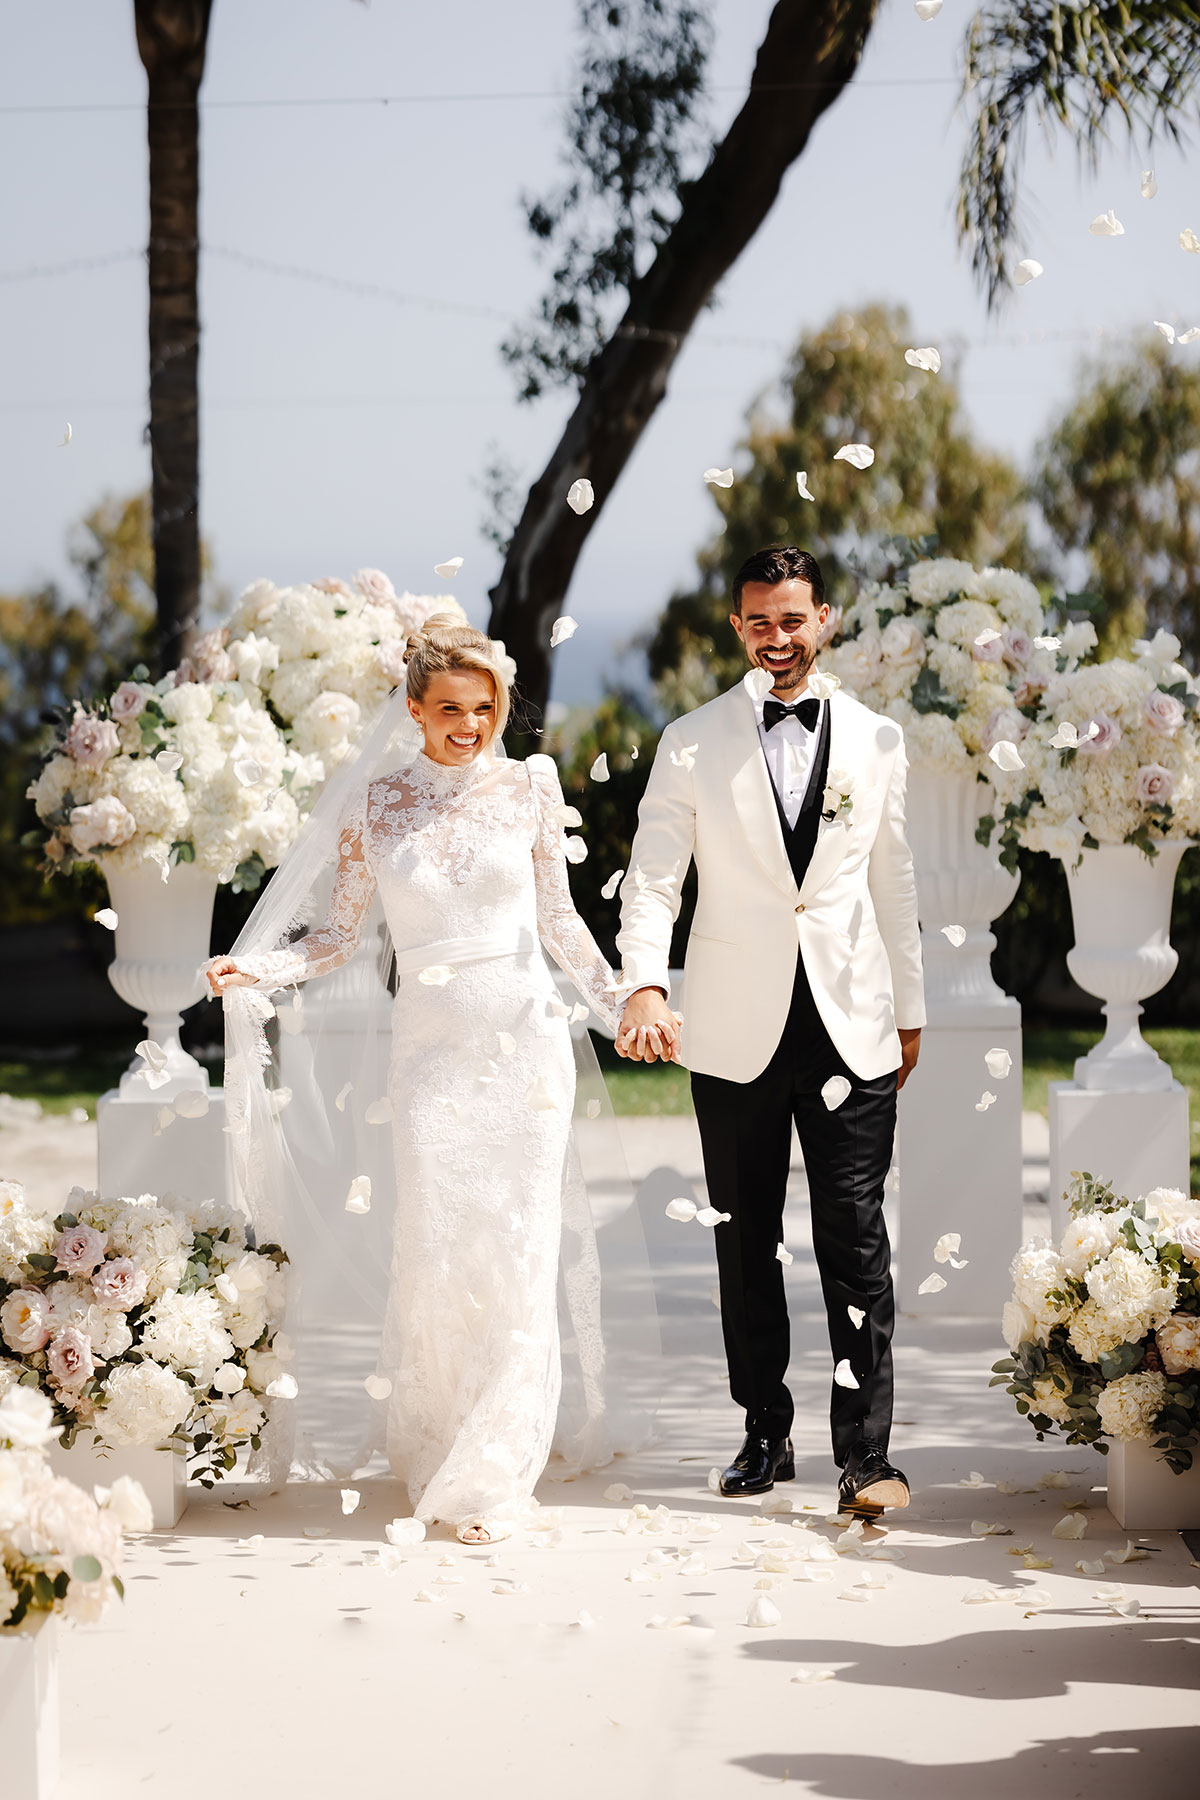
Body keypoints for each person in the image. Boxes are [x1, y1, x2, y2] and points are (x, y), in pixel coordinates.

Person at [207, 617, 672, 1544]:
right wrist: (257, 968)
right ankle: (440, 1440)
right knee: (437, 1247)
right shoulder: (374, 805)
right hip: (429, 1054)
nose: (470, 725)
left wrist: (624, 998)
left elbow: (560, 922)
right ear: (414, 709)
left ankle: (495, 1470)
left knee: (519, 1251)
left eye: (484, 708)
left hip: (524, 1045)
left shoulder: (530, 787)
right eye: (451, 708)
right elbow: (336, 937)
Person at [614, 546, 925, 1516]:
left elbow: (894, 880)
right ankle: (764, 1431)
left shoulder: (877, 739)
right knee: (744, 1239)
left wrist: (910, 1008)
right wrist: (644, 986)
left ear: (824, 618)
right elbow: (653, 878)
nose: (776, 638)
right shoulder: (690, 741)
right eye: (759, 622)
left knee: (855, 1240)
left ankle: (865, 1456)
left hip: (853, 1022)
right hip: (732, 1025)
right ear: (737, 626)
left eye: (792, 619)